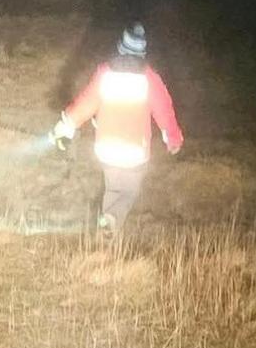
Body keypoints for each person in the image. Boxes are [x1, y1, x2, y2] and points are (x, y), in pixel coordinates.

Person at [51, 23, 183, 233]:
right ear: (143, 53)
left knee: (113, 188)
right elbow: (165, 111)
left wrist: (64, 127)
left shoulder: (105, 74)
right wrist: (173, 139)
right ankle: (110, 221)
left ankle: (106, 229)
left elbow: (84, 104)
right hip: (135, 152)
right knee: (129, 192)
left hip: (107, 148)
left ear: (120, 48)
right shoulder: (150, 79)